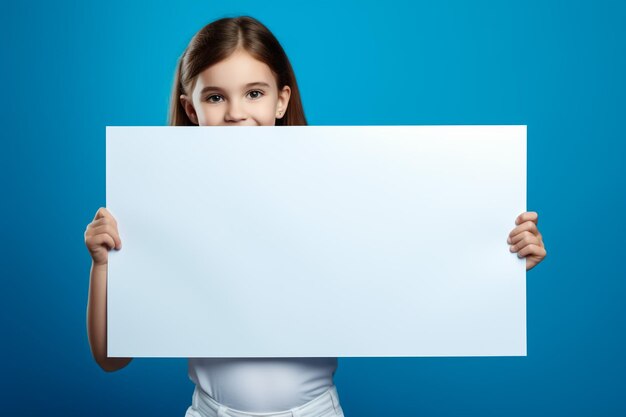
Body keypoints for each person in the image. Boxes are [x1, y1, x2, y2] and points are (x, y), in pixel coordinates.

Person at [84, 16, 547, 417]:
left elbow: (410, 258)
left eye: (254, 93)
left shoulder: (333, 191)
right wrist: (103, 266)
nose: (236, 114)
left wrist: (498, 259)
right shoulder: (162, 204)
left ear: (280, 102)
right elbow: (111, 358)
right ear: (191, 107)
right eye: (215, 98)